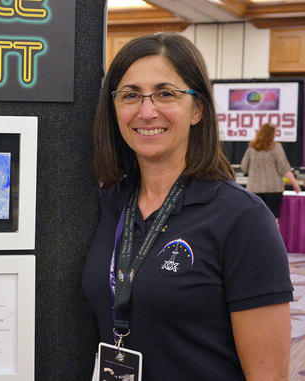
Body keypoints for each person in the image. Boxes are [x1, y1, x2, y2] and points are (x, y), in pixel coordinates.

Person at [82, 32, 293, 380]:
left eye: (166, 93)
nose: (146, 111)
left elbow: (268, 375)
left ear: (197, 109)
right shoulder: (106, 204)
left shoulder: (242, 219)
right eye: (131, 95)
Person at [241, 122, 301, 224]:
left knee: (256, 219)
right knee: (273, 219)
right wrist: (295, 183)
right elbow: (284, 168)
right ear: (271, 134)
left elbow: (244, 167)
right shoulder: (276, 147)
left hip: (254, 188)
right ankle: (272, 240)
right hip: (273, 189)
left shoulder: (251, 147)